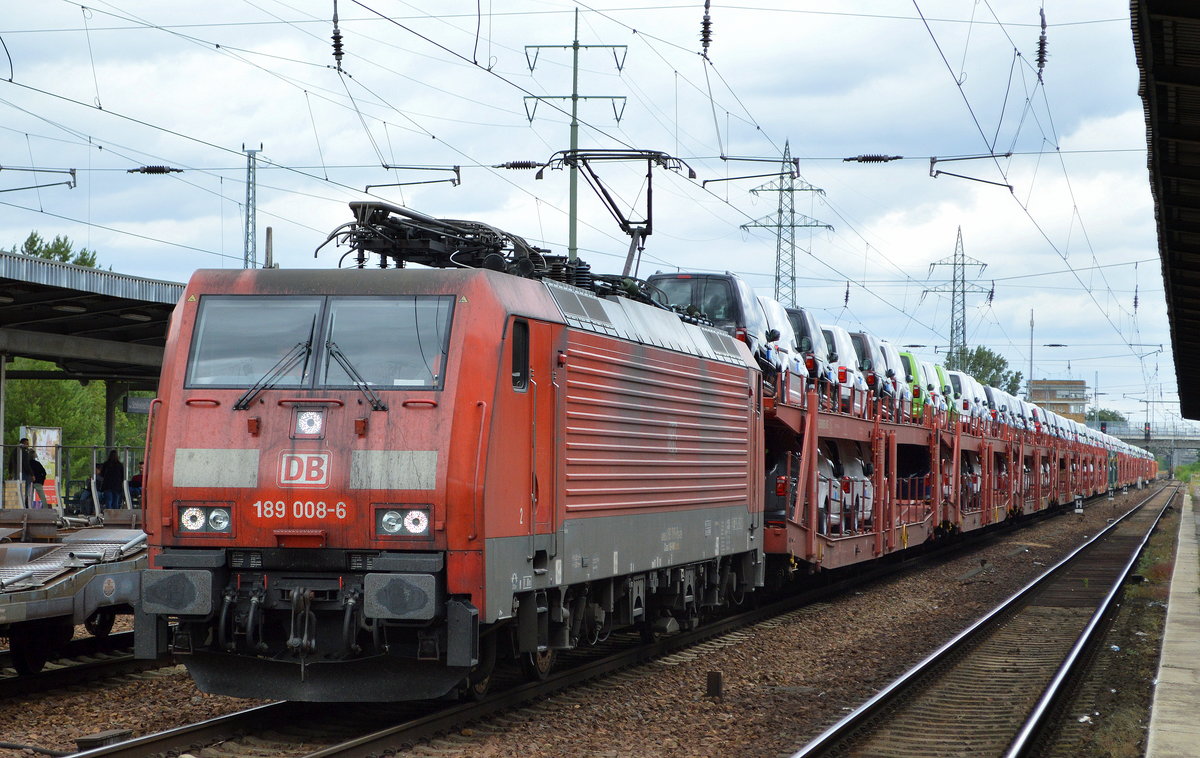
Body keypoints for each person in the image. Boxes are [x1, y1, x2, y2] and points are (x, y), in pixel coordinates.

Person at [8, 438, 34, 507]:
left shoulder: (14, 451)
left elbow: (10, 463)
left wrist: (10, 473)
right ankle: (24, 506)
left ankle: (18, 505)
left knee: (18, 490)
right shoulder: (24, 452)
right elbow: (26, 464)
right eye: (27, 444)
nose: (28, 445)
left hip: (16, 473)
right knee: (25, 491)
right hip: (25, 474)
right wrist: (32, 474)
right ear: (24, 443)